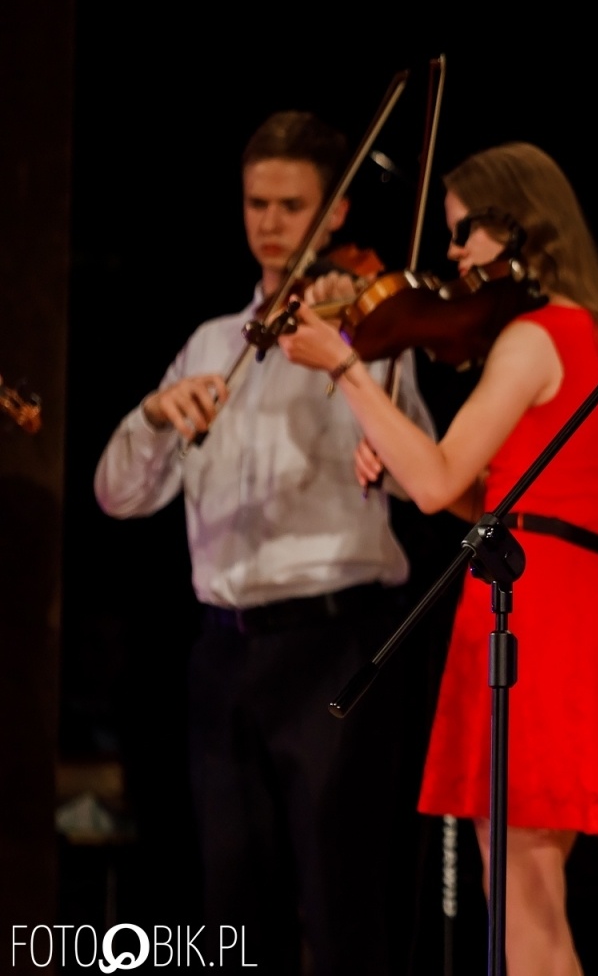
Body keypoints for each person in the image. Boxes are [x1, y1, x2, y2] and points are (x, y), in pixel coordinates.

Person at [276, 141, 598, 976]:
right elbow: (482, 496)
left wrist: (345, 366)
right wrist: (400, 439)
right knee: (530, 897)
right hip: (567, 595)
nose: (452, 258)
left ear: (515, 223)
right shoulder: (587, 331)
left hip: (535, 614)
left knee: (521, 903)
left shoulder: (533, 337)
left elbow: (441, 475)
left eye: (463, 234)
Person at [93, 111, 438, 975]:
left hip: (336, 645)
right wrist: (150, 418)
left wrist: (351, 373)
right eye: (257, 204)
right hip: (224, 654)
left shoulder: (363, 333)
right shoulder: (213, 344)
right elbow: (118, 495)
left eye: (292, 205)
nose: (271, 224)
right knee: (229, 914)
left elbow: (424, 477)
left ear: (336, 213)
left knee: (341, 902)